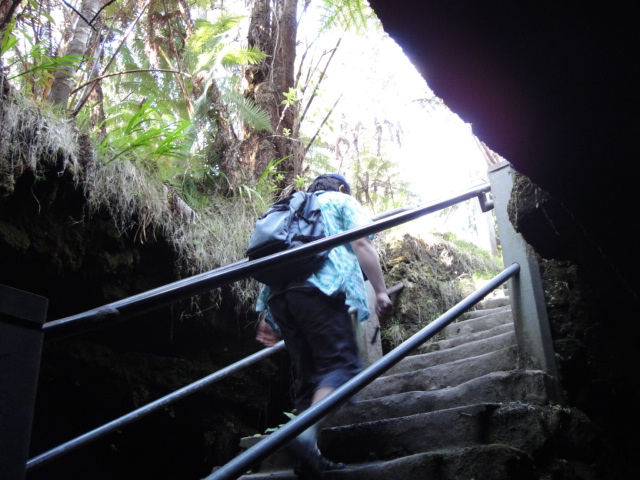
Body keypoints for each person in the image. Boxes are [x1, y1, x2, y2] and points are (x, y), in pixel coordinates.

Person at [255, 173, 393, 479]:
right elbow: (361, 241)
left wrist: (265, 317)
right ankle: (305, 436)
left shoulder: (295, 208)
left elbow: (277, 258)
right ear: (341, 187)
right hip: (321, 291)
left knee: (312, 378)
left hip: (281, 300)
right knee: (341, 366)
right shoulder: (341, 200)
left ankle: (309, 457)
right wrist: (381, 291)